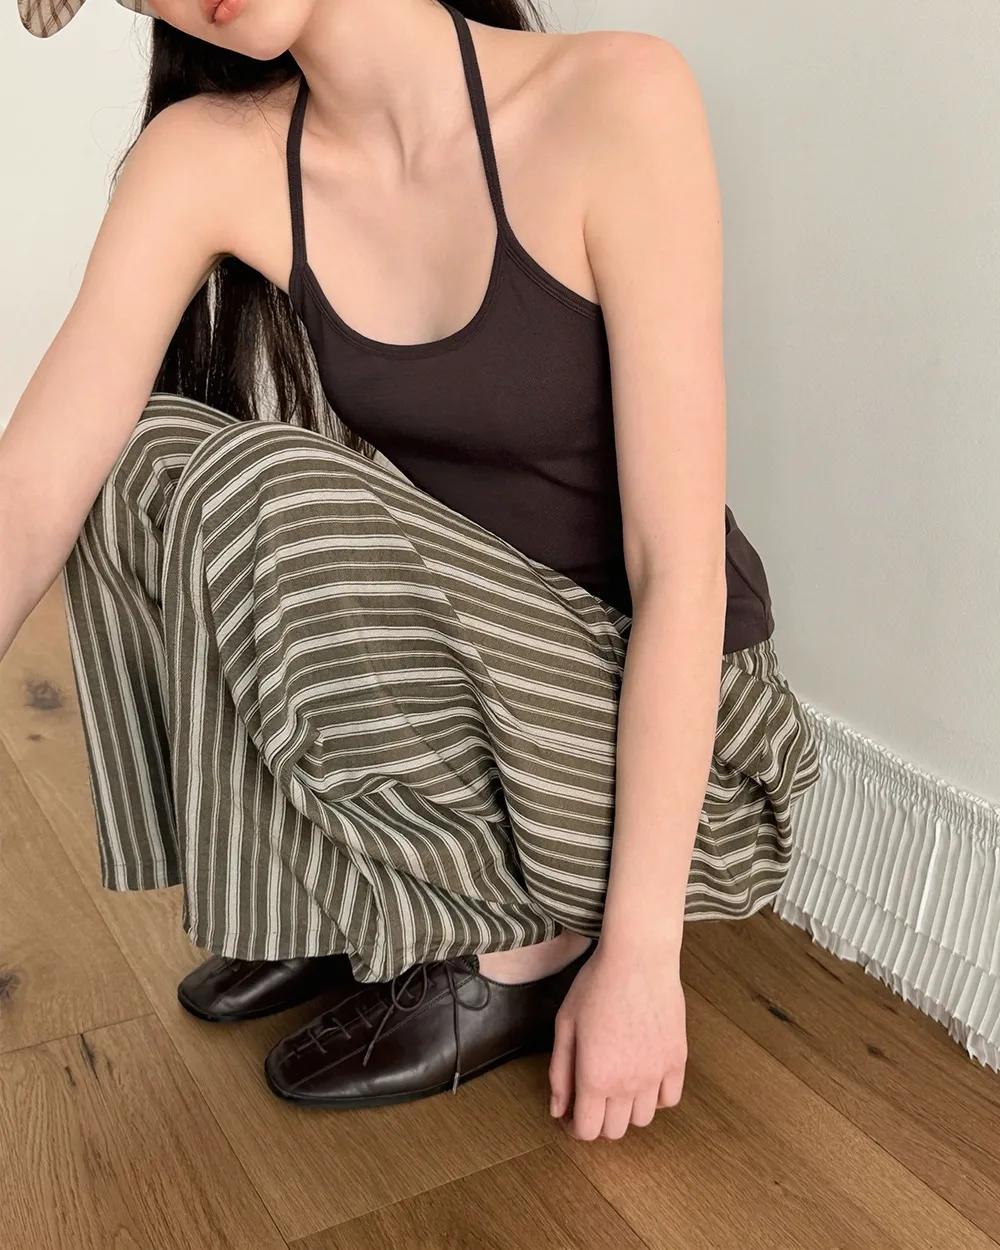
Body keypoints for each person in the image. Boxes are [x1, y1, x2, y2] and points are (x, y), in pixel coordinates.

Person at [5, 0, 819, 1142]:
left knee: (259, 492)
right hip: (491, 683)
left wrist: (641, 959)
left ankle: (525, 948)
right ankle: (344, 896)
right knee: (141, 465)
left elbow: (677, 570)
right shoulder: (209, 156)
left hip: (683, 750)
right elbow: (31, 491)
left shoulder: (617, 97)